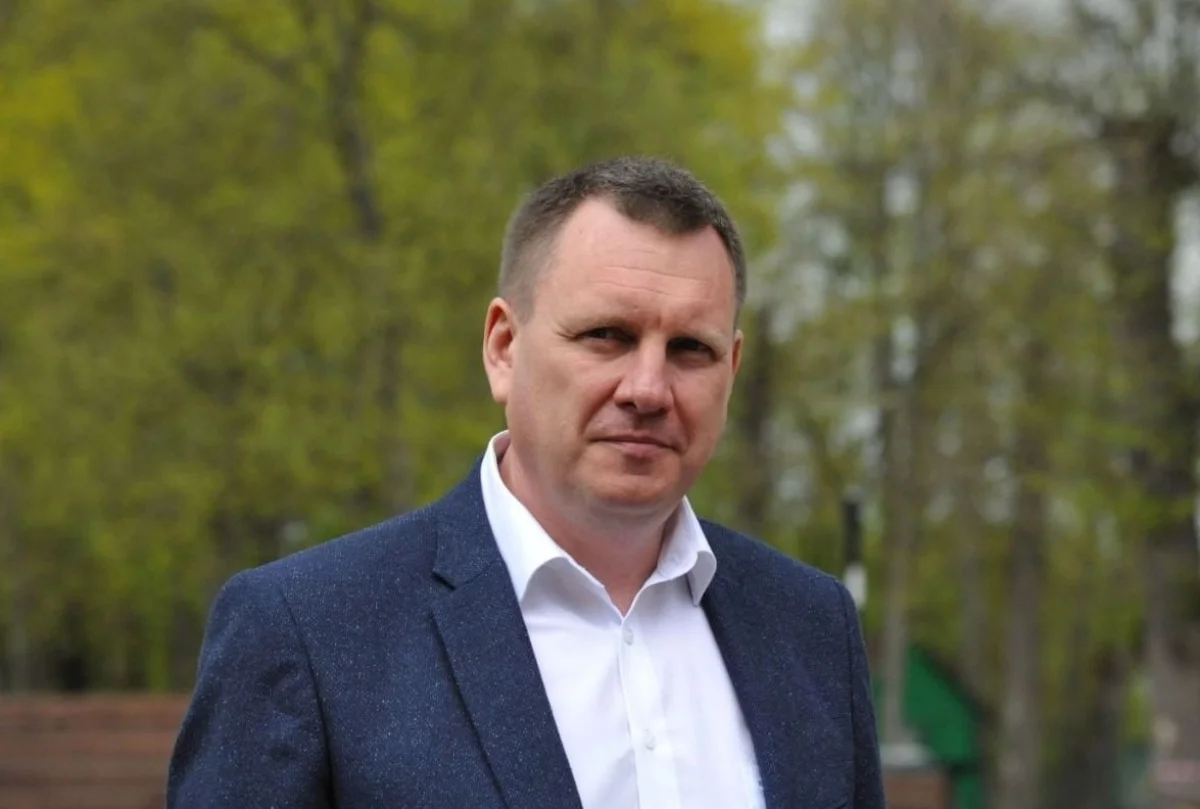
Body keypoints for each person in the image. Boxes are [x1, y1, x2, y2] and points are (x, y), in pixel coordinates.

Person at [167, 156, 886, 809]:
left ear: (731, 370)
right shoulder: (310, 631)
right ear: (504, 348)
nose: (647, 387)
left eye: (690, 349)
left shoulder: (811, 628)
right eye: (607, 335)